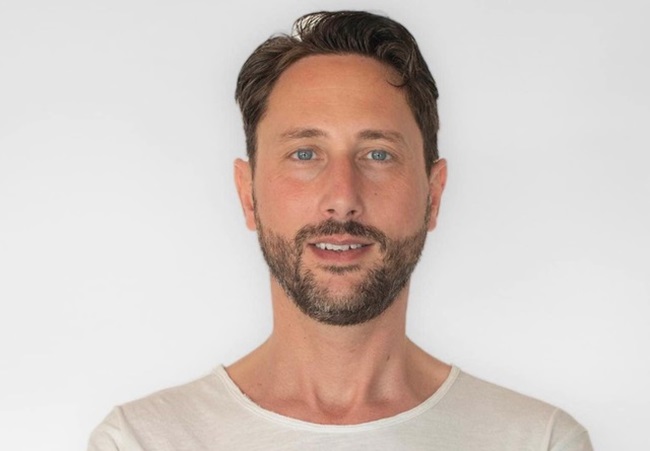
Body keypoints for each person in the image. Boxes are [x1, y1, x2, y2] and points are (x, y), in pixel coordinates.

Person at [88, 10, 592, 450]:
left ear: (433, 195)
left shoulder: (537, 440)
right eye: (305, 153)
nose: (343, 196)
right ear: (248, 195)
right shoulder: (142, 440)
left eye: (378, 154)